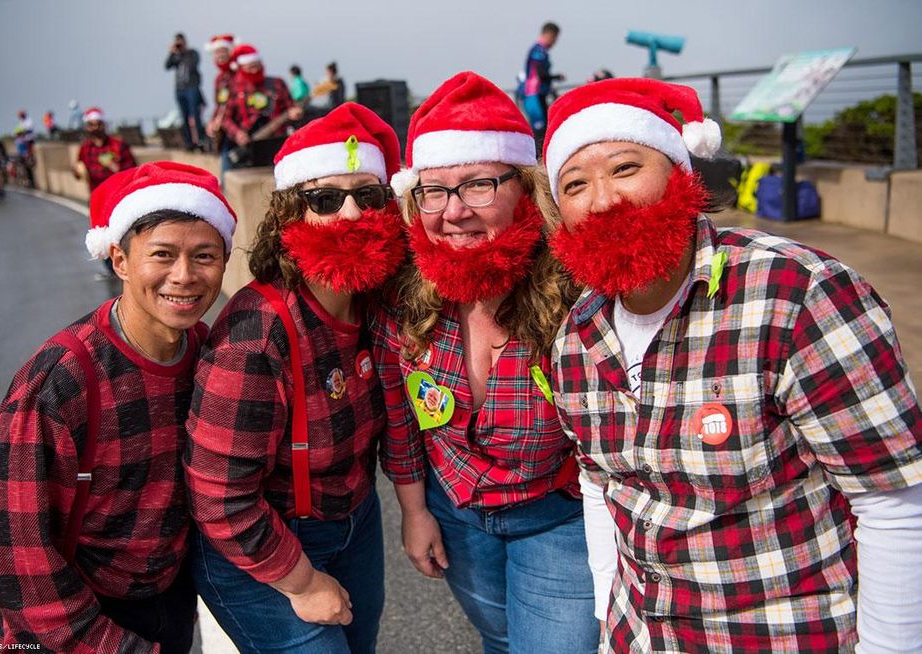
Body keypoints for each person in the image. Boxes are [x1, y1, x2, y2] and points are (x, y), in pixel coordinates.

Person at [541, 78, 922, 652]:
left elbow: (893, 500)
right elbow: (602, 488)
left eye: (625, 168)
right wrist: (604, 610)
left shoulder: (797, 294)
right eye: (575, 183)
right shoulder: (577, 336)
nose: (602, 200)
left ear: (680, 172)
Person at [373, 71, 599, 653]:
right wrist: (414, 511)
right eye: (434, 190)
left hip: (558, 519)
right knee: (499, 642)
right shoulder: (406, 290)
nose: (454, 211)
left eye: (478, 185)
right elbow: (401, 417)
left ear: (526, 188)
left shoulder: (578, 287)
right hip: (458, 515)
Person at [0, 161, 238, 653]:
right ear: (119, 260)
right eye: (162, 255)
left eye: (204, 256)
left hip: (171, 599)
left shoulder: (213, 357)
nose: (184, 277)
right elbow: (20, 562)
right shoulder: (57, 383)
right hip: (75, 623)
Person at [186, 103, 405, 653]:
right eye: (326, 200)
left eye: (369, 196)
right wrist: (302, 583)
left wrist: (414, 508)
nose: (351, 215)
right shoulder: (258, 332)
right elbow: (218, 494)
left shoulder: (378, 304)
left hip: (354, 518)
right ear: (290, 216)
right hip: (262, 537)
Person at [220, 44, 302, 168]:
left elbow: (290, 107)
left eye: (258, 67)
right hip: (248, 148)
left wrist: (295, 114)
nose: (255, 71)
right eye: (250, 68)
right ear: (242, 68)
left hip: (275, 144)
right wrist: (238, 134)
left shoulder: (277, 84)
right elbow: (226, 119)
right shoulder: (234, 89)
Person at [520, 22, 565, 152]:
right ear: (550, 34)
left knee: (545, 129)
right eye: (555, 38)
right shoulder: (538, 50)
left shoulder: (541, 50)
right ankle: (537, 166)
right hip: (532, 94)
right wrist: (557, 77)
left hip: (540, 94)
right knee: (539, 131)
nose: (555, 42)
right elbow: (541, 74)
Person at [73, 107, 137, 193]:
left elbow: (133, 169)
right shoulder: (85, 148)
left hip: (117, 193)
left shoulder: (118, 145)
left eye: (98, 124)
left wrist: (116, 168)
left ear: (104, 124)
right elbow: (79, 169)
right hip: (96, 193)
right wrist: (77, 171)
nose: (95, 128)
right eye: (91, 125)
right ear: (87, 127)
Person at [165, 32, 206, 151]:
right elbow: (167, 66)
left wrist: (183, 52)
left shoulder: (192, 53)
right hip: (180, 89)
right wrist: (172, 53)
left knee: (195, 115)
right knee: (184, 116)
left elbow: (193, 65)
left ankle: (200, 140)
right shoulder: (175, 56)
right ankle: (189, 143)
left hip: (191, 88)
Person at [203, 33, 236, 174]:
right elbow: (218, 105)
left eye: (223, 51)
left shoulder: (237, 74)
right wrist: (212, 122)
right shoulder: (219, 79)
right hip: (223, 130)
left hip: (235, 127)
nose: (220, 55)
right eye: (217, 52)